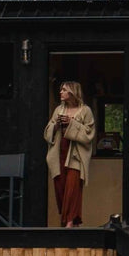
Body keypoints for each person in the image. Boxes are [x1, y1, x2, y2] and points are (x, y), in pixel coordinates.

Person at [44, 81, 96, 227]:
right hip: (59, 153)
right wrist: (57, 125)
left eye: (64, 90)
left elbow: (89, 133)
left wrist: (71, 123)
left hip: (75, 155)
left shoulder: (85, 111)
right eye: (61, 90)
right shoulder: (58, 110)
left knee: (72, 189)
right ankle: (71, 220)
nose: (60, 92)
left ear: (72, 92)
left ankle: (69, 222)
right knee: (60, 188)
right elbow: (48, 131)